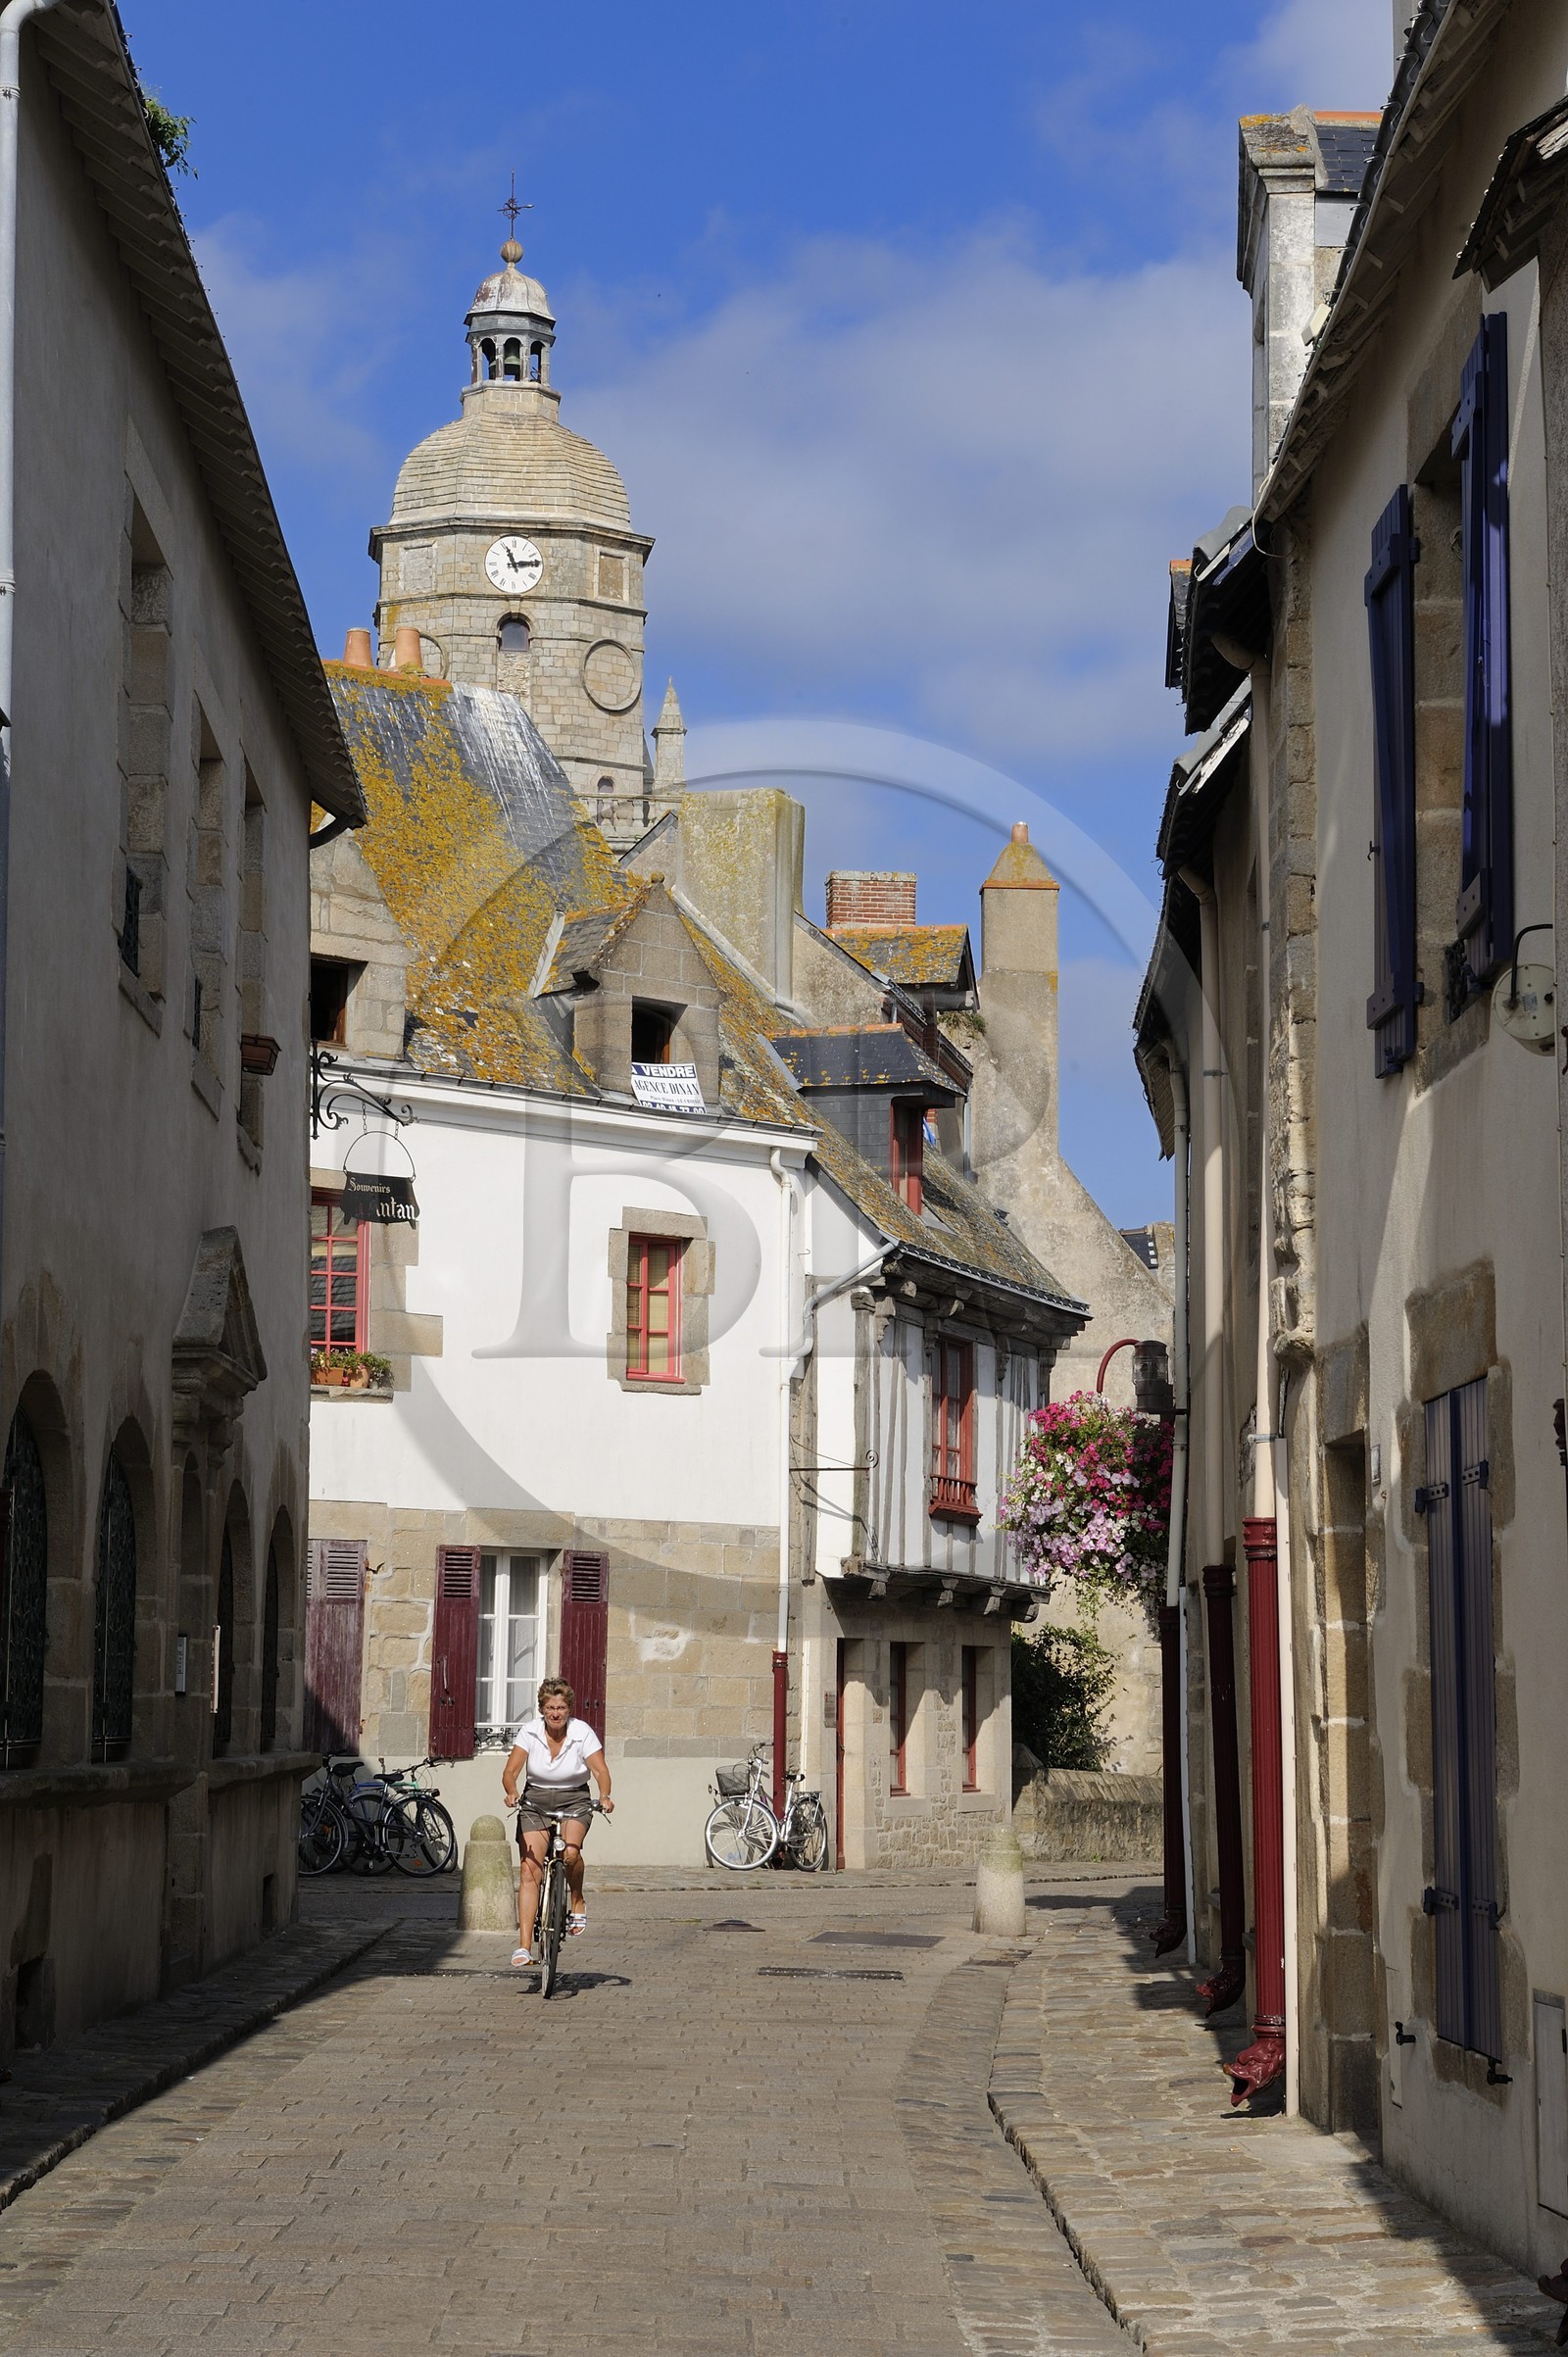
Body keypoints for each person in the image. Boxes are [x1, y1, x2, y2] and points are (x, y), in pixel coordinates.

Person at [501, 1678, 612, 1968]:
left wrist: (605, 1796)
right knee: (529, 1870)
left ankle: (576, 1900)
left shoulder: (581, 1732)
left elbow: (600, 1770)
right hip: (535, 1800)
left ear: (569, 1709)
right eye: (550, 1707)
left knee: (570, 1853)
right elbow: (511, 1771)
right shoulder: (530, 1732)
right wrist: (512, 1792)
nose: (555, 1713)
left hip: (574, 1798)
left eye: (561, 1707)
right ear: (542, 1709)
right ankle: (524, 1946)